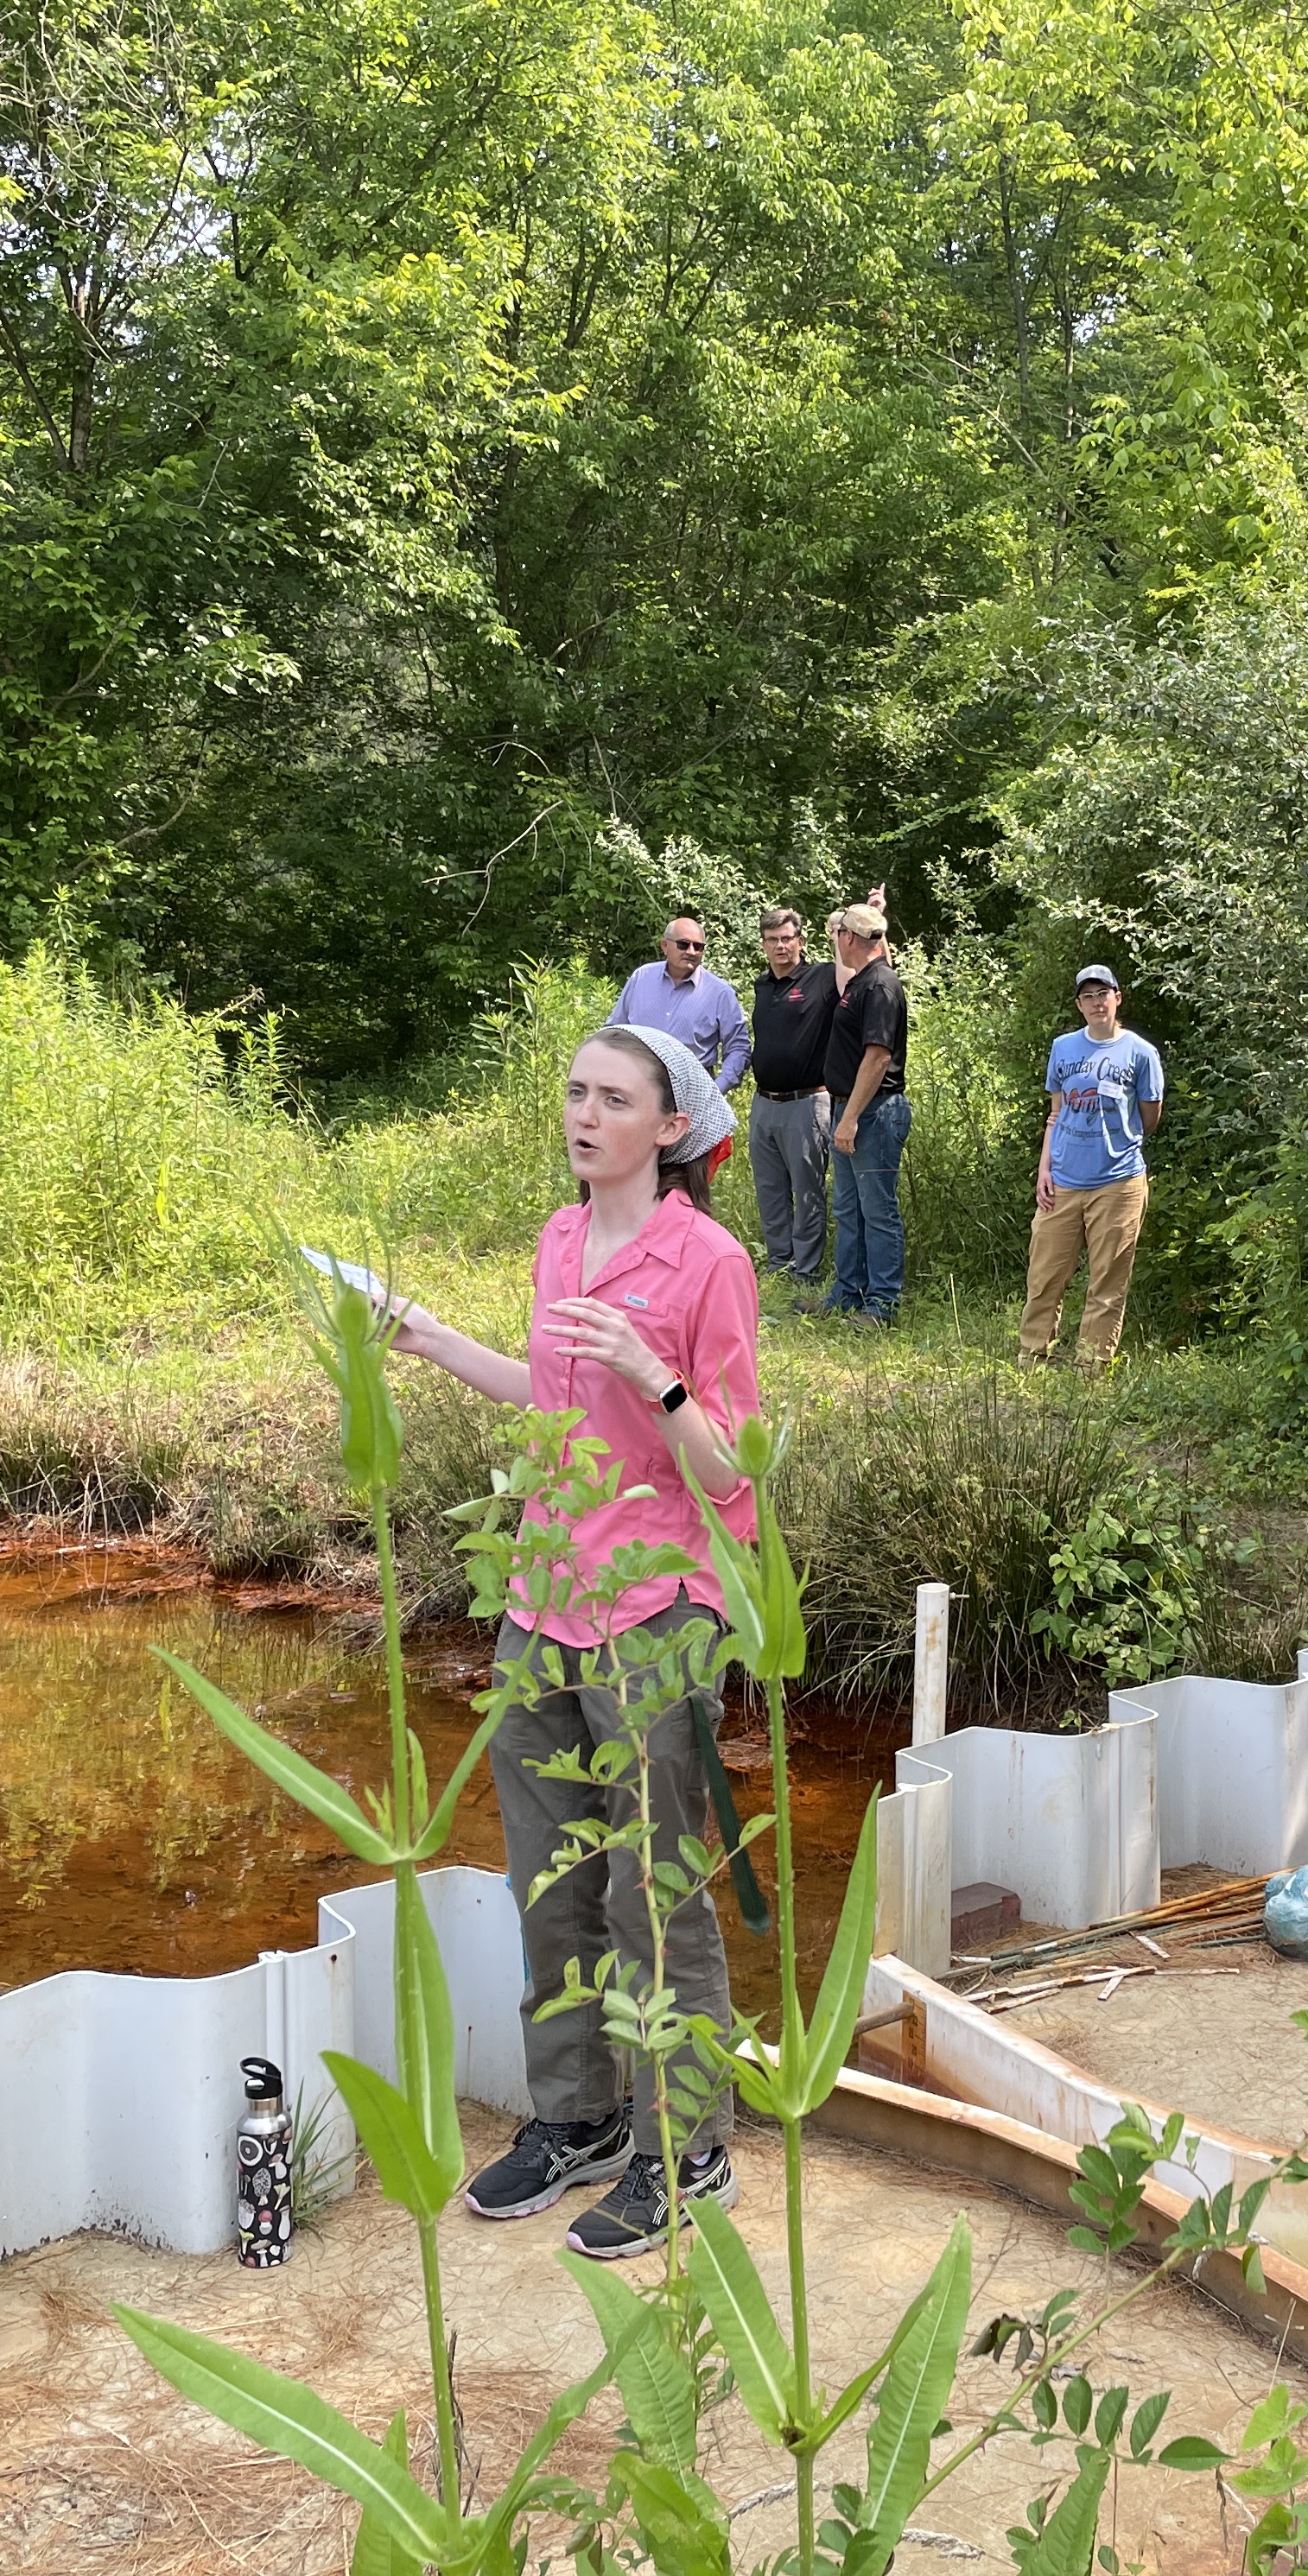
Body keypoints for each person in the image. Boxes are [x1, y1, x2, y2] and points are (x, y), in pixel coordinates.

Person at [373, 1022, 759, 2259]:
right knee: (553, 1888)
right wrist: (431, 1339)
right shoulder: (557, 1236)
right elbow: (548, 1399)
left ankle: (685, 2142)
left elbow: (731, 1470)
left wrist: (659, 1378)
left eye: (613, 1099)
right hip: (542, 1604)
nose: (585, 1115)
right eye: (576, 1094)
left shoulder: (707, 1263)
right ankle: (580, 2118)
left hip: (657, 1610)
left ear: (670, 1126)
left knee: (657, 1892)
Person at [1021, 965, 1165, 1368]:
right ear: (1079, 1005)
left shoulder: (1140, 1053)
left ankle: (1091, 1366)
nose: (1097, 1002)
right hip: (1063, 1181)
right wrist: (1044, 1168)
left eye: (1104, 993)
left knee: (1107, 1282)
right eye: (1088, 996)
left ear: (1118, 998)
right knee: (1044, 1276)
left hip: (1119, 1182)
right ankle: (1031, 1358)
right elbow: (1056, 1113)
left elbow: (1149, 1118)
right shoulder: (1063, 1048)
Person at [822, 901, 911, 1323]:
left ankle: (882, 1304)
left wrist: (851, 1117)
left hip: (873, 1113)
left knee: (877, 1210)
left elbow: (877, 1058)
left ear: (849, 939)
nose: (835, 940)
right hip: (853, 1109)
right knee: (848, 1208)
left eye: (837, 933)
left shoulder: (879, 987)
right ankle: (848, 1293)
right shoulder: (866, 979)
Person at [746, 906, 836, 1292]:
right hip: (764, 1103)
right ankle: (780, 1263)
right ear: (763, 945)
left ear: (800, 940)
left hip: (807, 1103)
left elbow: (873, 967)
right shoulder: (762, 986)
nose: (781, 945)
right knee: (770, 1190)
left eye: (787, 938)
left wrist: (874, 922)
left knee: (807, 1190)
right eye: (773, 940)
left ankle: (807, 1271)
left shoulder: (823, 978)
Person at [607, 916, 752, 1094]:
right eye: (683, 944)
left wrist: (717, 1089)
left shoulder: (720, 993)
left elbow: (738, 1047)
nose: (691, 951)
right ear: (665, 946)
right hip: (636, 1086)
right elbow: (613, 1032)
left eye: (698, 946)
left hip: (692, 1091)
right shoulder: (641, 978)